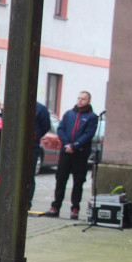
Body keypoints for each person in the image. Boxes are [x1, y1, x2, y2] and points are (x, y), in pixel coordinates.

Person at [42, 91, 99, 220]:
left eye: (83, 99)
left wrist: (75, 145)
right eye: (79, 98)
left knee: (78, 182)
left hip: (80, 154)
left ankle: (75, 208)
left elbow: (88, 134)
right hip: (65, 152)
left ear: (88, 101)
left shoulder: (92, 117)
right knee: (60, 179)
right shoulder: (69, 114)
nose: (80, 101)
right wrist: (67, 143)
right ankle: (55, 207)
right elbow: (60, 129)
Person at [29, 100, 52, 206]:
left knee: (29, 175)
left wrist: (36, 135)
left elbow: (46, 126)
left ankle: (27, 201)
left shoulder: (40, 109)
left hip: (32, 146)